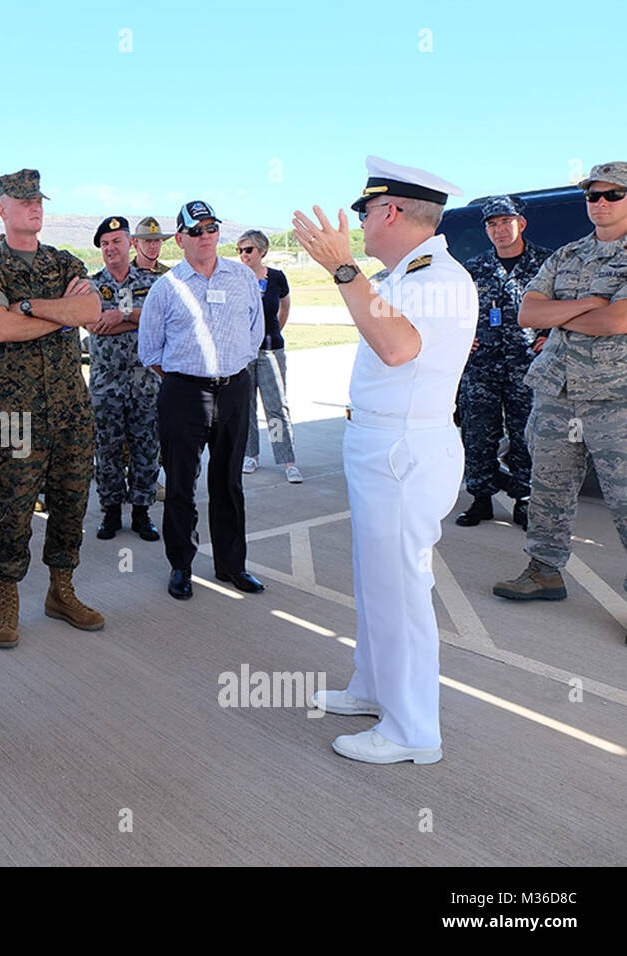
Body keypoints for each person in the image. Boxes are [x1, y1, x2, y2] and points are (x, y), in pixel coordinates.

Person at [293, 155, 475, 765]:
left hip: (404, 449)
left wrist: (342, 269)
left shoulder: (436, 278)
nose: (361, 224)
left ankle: (411, 730)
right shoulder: (404, 275)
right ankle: (373, 686)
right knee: (376, 581)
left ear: (392, 210)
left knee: (400, 590)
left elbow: (397, 348)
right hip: (380, 445)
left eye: (366, 211)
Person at [0, 169, 104, 648]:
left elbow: (90, 314)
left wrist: (26, 307)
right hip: (12, 414)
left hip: (69, 408)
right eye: (22, 201)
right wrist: (54, 314)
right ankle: (8, 599)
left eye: (38, 200)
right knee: (12, 508)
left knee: (71, 503)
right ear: (2, 209)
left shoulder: (65, 262)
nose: (34, 208)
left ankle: (60, 592)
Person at [493, 162, 627, 606]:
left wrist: (565, 314)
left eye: (613, 195)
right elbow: (528, 314)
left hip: (616, 396)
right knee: (549, 487)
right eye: (593, 196)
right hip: (557, 392)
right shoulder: (566, 255)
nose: (601, 203)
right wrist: (590, 303)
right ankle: (544, 571)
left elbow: (617, 320)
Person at [139, 200, 265, 601]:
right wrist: (187, 380)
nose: (206, 236)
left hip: (234, 389)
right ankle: (181, 566)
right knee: (180, 484)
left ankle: (232, 565)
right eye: (196, 231)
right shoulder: (166, 288)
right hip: (184, 393)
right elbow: (150, 350)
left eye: (212, 228)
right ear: (180, 239)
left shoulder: (242, 278)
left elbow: (255, 331)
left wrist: (227, 372)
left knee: (228, 482)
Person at [454, 196, 553, 531]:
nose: (498, 229)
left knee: (527, 434)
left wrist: (552, 334)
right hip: (481, 367)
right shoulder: (474, 267)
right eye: (491, 224)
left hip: (528, 365)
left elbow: (570, 303)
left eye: (504, 222)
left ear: (520, 223)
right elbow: (455, 310)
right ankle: (480, 497)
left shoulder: (547, 263)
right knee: (478, 433)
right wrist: (462, 336)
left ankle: (524, 501)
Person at [87, 216, 161, 541]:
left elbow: (160, 320)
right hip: (106, 385)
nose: (110, 248)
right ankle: (112, 512)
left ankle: (142, 512)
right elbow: (93, 325)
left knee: (146, 448)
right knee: (107, 450)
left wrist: (123, 314)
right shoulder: (90, 286)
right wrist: (137, 321)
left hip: (144, 382)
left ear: (130, 244)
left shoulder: (151, 282)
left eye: (116, 241)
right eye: (104, 244)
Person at [237, 230, 303, 483]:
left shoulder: (276, 277)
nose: (244, 255)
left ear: (262, 251)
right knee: (246, 407)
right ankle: (251, 455)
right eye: (240, 250)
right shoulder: (237, 278)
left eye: (248, 249)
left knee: (276, 407)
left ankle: (287, 459)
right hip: (244, 353)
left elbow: (285, 306)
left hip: (271, 349)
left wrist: (275, 331)